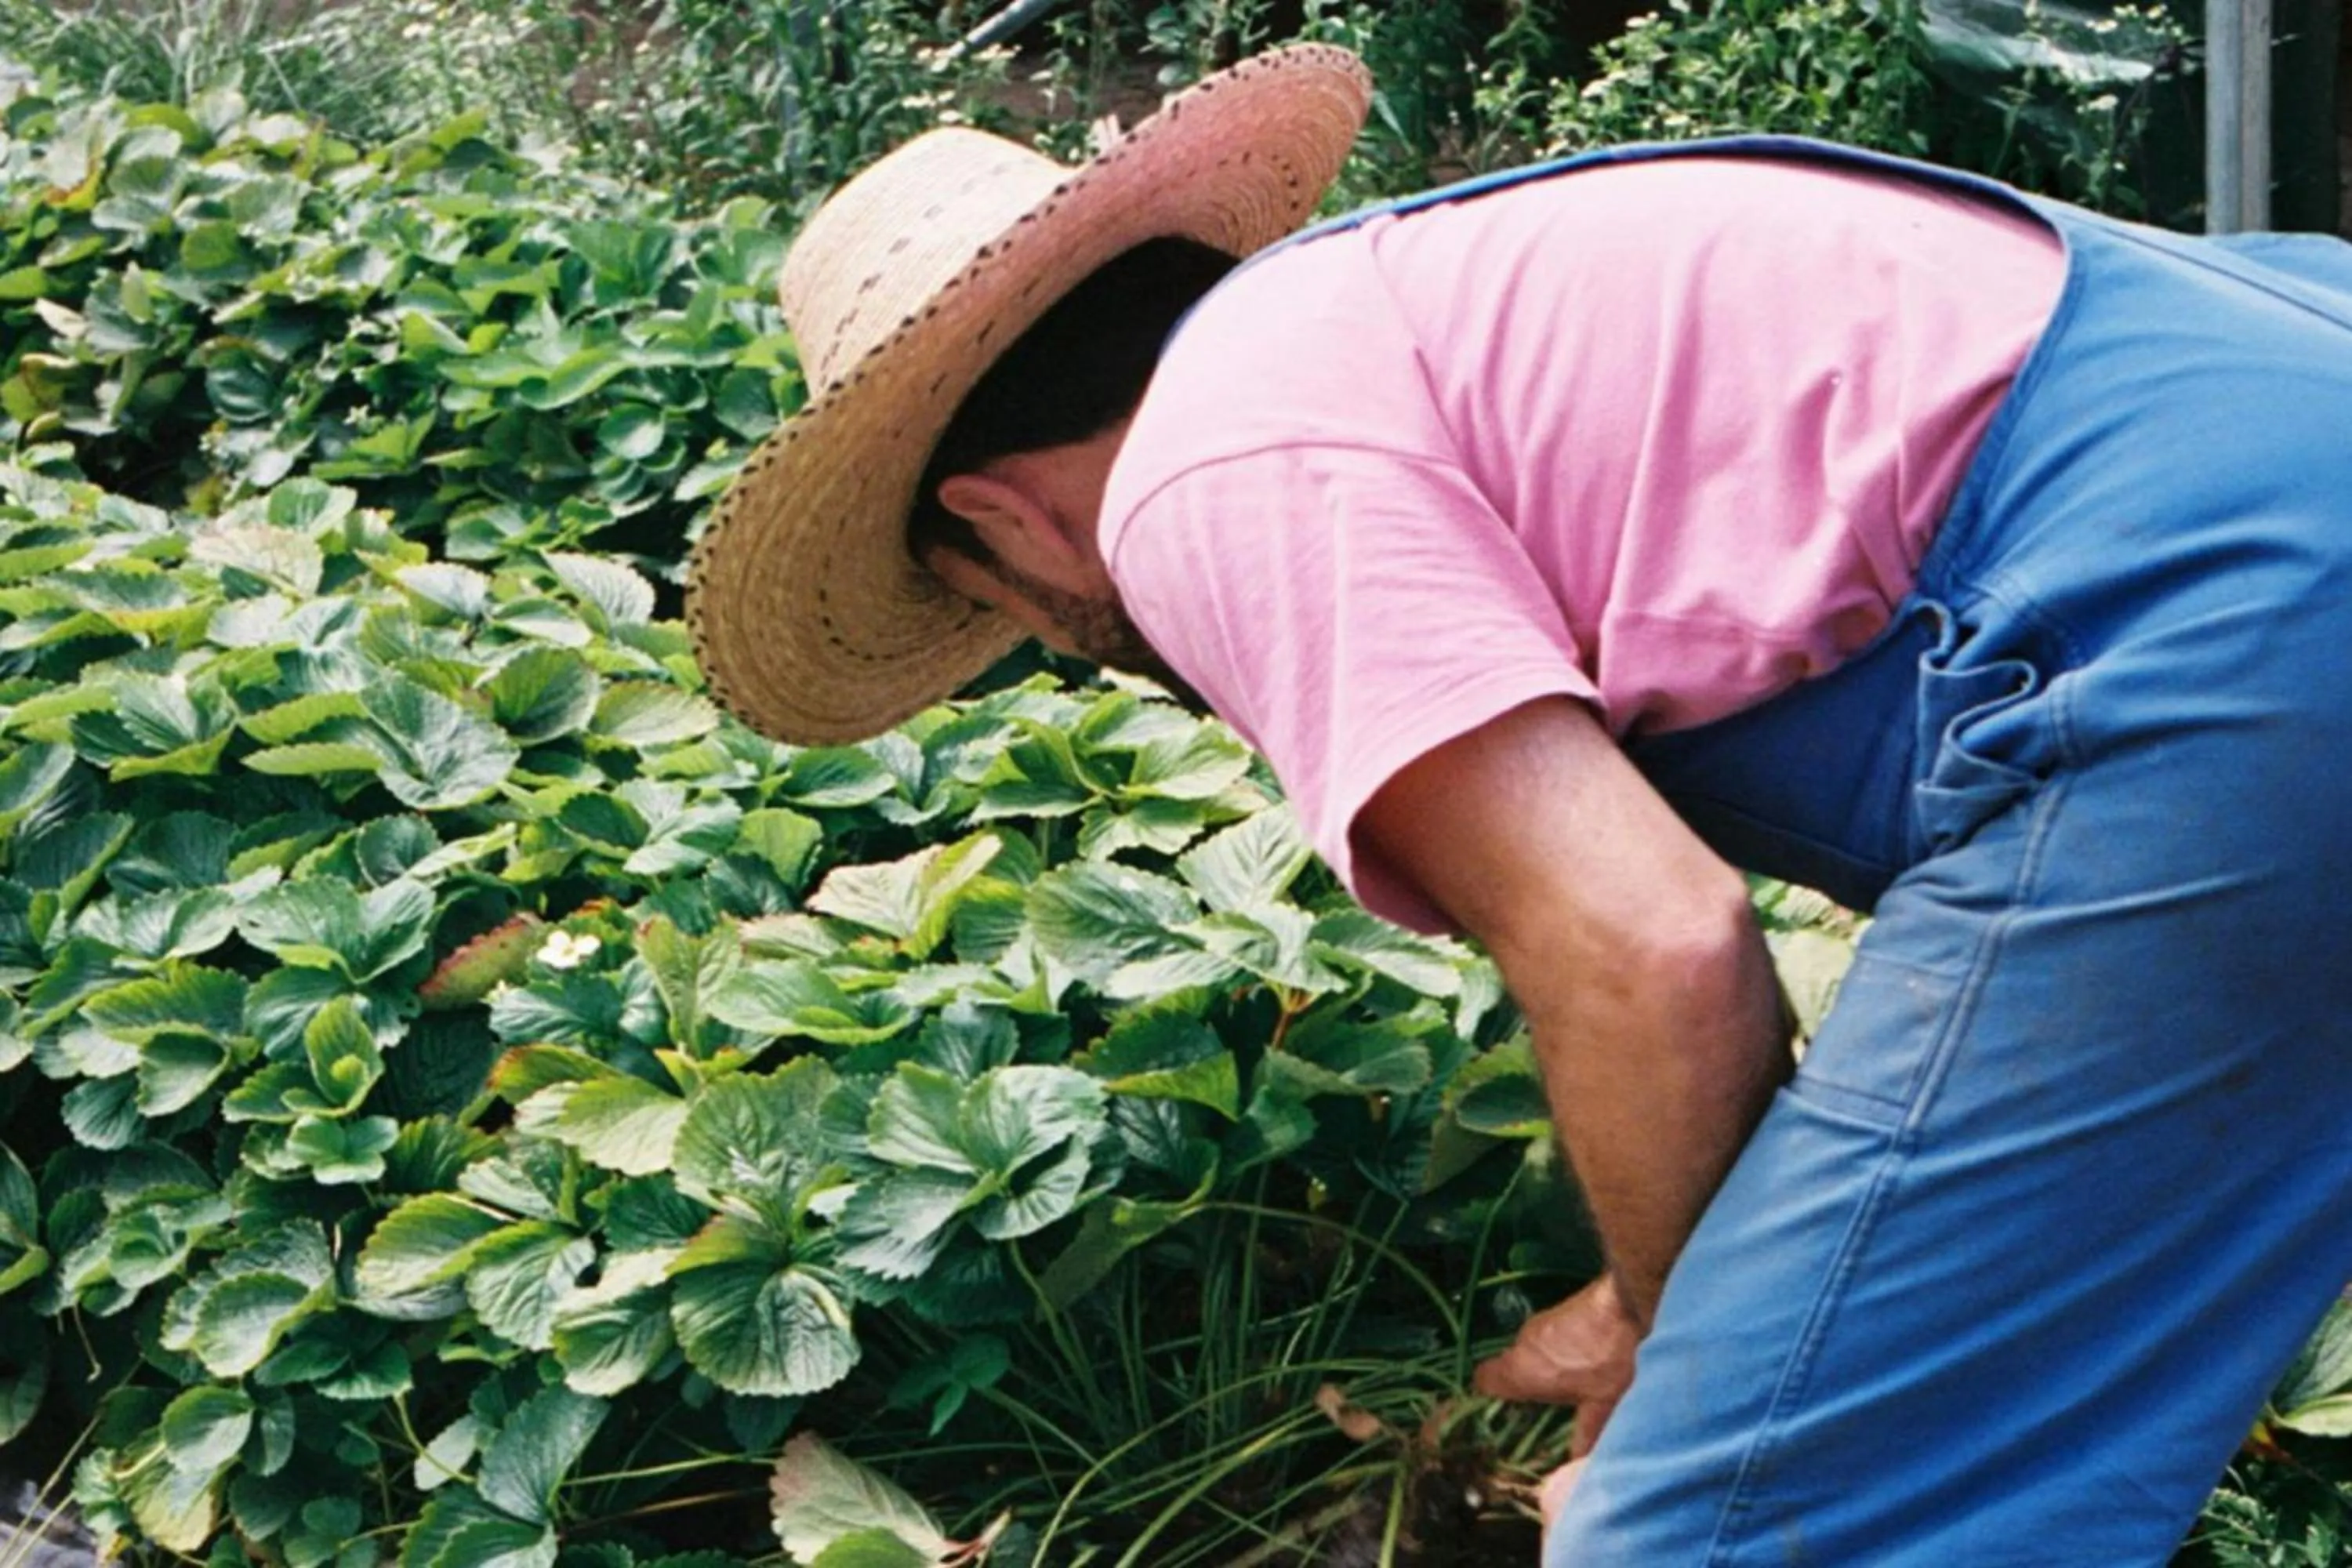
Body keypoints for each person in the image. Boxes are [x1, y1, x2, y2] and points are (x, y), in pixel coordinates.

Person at [686, 42, 2352, 1565]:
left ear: (1000, 521)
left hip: (2230, 630)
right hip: (2284, 428)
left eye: (1002, 612)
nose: (1060, 643)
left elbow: (1652, 950)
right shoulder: (1381, 309)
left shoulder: (1201, 470)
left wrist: (1666, 1353)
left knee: (1716, 1530)